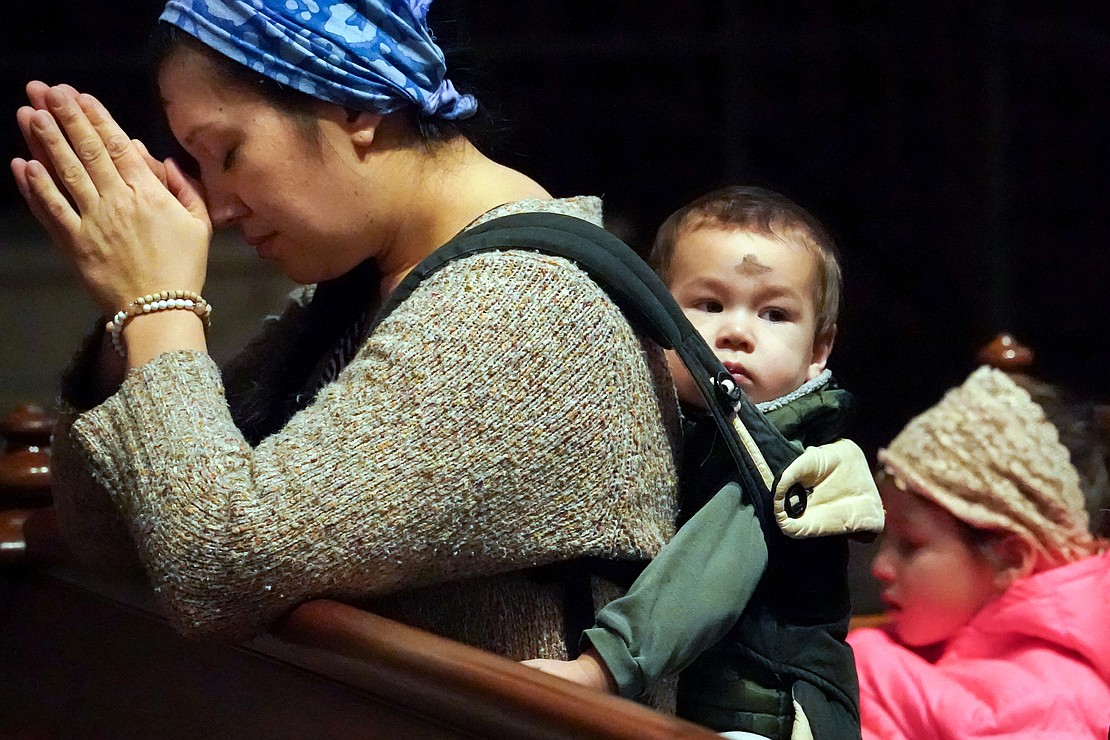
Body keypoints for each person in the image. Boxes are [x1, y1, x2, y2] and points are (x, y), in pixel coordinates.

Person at [9, 0, 683, 665]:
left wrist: (158, 303)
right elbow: (113, 532)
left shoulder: (526, 308)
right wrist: (131, 322)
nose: (217, 203)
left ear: (356, 106)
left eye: (227, 151)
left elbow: (214, 566)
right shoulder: (361, 292)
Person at [526, 186, 881, 738]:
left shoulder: (787, 460)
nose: (737, 331)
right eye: (709, 305)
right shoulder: (677, 425)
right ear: (656, 318)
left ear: (818, 351)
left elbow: (704, 574)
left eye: (775, 313)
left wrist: (600, 669)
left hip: (774, 713)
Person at [848, 366, 1110, 738]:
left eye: (910, 545)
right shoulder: (944, 647)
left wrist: (865, 664)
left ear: (1012, 558)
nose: (880, 567)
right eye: (884, 539)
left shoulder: (1052, 704)